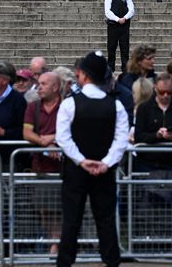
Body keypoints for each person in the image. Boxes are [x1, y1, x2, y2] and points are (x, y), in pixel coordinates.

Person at [55, 51, 129, 267]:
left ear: (84, 76)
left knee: (71, 222)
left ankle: (65, 263)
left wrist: (81, 160)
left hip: (76, 170)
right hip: (104, 171)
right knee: (105, 221)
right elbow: (121, 139)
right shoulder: (115, 105)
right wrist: (105, 162)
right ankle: (112, 262)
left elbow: (63, 138)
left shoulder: (70, 104)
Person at [22, 71, 63, 254]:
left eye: (44, 84)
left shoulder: (66, 106)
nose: (39, 87)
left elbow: (72, 128)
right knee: (44, 209)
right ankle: (52, 240)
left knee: (59, 209)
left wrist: (54, 138)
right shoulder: (33, 107)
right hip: (40, 166)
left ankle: (56, 244)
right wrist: (43, 142)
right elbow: (27, 133)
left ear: (55, 87)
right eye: (38, 83)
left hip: (62, 168)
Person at [134, 73, 172, 169]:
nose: (165, 95)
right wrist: (156, 135)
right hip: (148, 161)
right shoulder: (144, 108)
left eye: (169, 92)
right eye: (161, 92)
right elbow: (139, 136)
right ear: (155, 88)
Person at [104, 0, 135, 74]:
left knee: (125, 49)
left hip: (124, 27)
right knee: (111, 49)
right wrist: (118, 19)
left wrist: (124, 18)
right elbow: (107, 12)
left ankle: (125, 71)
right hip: (113, 27)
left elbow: (132, 10)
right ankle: (110, 70)